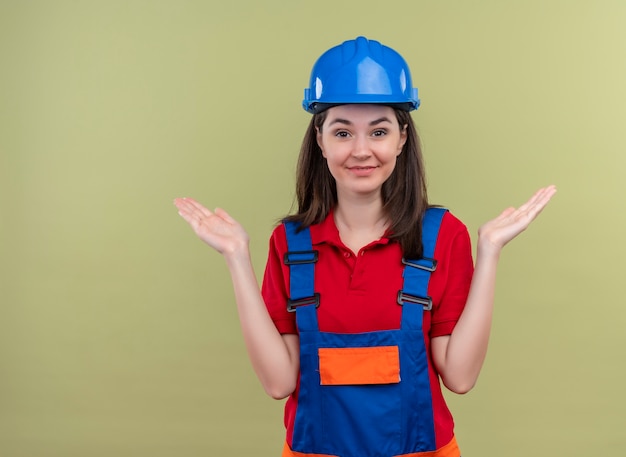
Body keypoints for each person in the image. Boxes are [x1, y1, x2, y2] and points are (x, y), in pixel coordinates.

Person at [174, 36, 556, 457]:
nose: (361, 151)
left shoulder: (443, 235)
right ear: (320, 141)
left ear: (402, 139)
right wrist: (236, 259)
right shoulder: (290, 243)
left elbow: (461, 377)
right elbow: (279, 383)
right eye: (342, 132)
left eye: (378, 130)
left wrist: (490, 252)